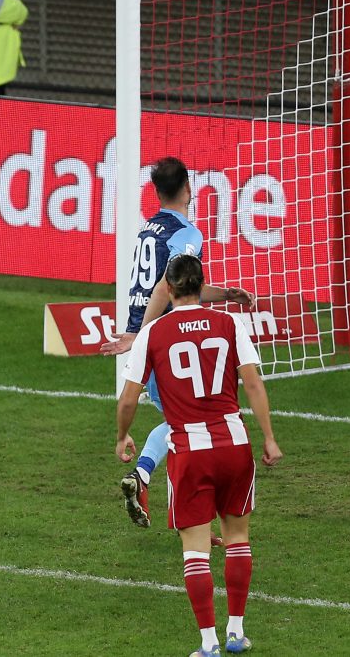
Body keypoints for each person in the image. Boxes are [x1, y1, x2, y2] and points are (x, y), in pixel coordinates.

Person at [116, 253, 282, 656]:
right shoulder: (229, 324)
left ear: (169, 288)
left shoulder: (154, 333)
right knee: (238, 538)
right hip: (234, 444)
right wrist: (269, 438)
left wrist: (122, 437)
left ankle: (209, 644)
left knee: (195, 550)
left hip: (190, 451)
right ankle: (236, 632)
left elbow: (129, 398)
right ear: (200, 284)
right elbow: (254, 384)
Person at [102, 157, 254, 532]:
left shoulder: (148, 228)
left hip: (151, 335)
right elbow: (166, 286)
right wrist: (144, 335)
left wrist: (225, 294)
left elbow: (183, 287)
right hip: (166, 340)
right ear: (188, 189)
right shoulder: (187, 234)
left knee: (181, 424)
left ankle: (145, 480)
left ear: (156, 192)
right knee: (189, 425)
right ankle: (187, 514)